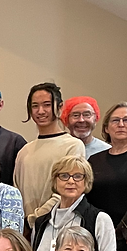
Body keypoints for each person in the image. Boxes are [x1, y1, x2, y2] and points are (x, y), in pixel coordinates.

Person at [30, 156, 118, 251]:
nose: (71, 181)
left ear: (86, 181)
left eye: (78, 176)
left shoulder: (99, 219)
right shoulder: (41, 224)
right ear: (55, 181)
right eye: (64, 176)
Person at [13, 82, 84, 219]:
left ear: (60, 107)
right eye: (35, 106)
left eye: (46, 105)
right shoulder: (24, 151)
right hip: (25, 231)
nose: (40, 111)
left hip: (58, 226)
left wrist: (35, 220)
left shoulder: (73, 146)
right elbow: (16, 194)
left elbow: (66, 191)